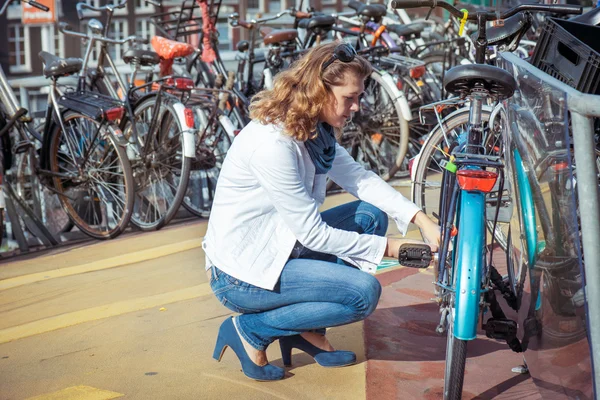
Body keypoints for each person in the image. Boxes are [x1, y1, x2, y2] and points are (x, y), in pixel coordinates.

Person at [203, 41, 441, 381]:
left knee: (369, 215)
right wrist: (393, 249)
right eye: (349, 97)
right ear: (318, 90)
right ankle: (251, 330)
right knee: (362, 293)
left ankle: (306, 329)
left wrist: (421, 219)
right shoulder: (274, 145)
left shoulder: (315, 134)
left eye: (358, 97)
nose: (356, 106)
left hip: (281, 246)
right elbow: (312, 233)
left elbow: (359, 178)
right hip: (243, 274)